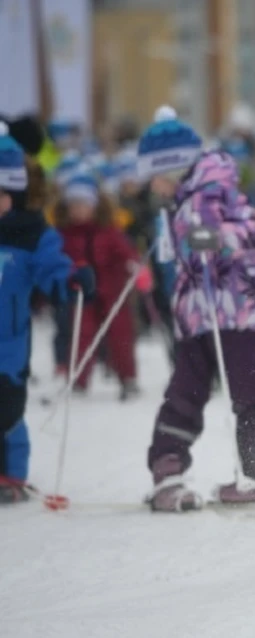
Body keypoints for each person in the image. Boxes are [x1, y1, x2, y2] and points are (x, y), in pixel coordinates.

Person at [140, 106, 255, 511]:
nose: (154, 187)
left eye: (157, 178)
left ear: (176, 168)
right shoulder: (180, 202)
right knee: (184, 392)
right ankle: (168, 468)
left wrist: (217, 239)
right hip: (196, 315)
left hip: (235, 313)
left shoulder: (213, 190)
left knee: (251, 392)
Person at [0, 121, 95, 503]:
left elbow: (51, 266)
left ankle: (10, 475)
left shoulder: (30, 233)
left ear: (17, 195)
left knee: (7, 410)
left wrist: (70, 280)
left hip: (8, 342)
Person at [55, 172, 146, 399]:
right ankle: (78, 379)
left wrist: (133, 264)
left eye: (83, 204)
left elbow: (126, 252)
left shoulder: (109, 230)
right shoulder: (63, 234)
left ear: (95, 206)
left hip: (112, 290)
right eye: (73, 205)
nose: (78, 210)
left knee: (120, 334)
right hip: (82, 292)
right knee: (82, 335)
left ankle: (127, 377)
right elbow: (58, 259)